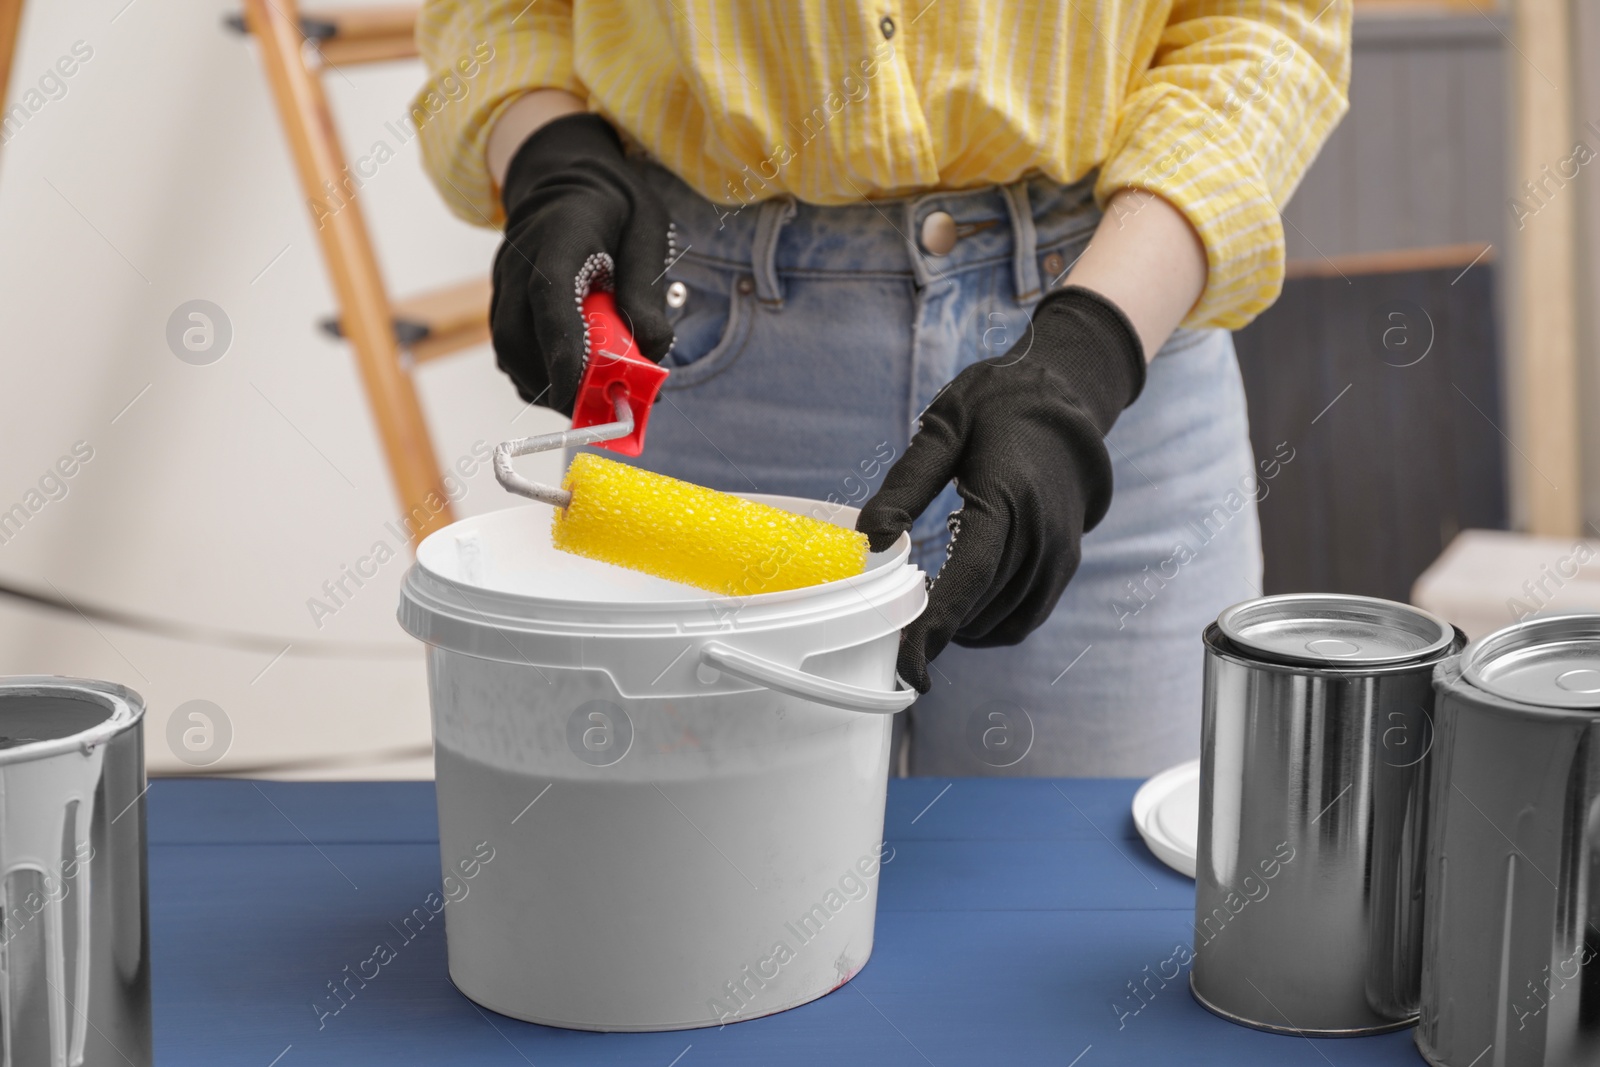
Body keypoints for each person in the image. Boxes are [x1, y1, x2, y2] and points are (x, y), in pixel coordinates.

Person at [413, 1, 1351, 776]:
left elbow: (1267, 23)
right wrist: (551, 152)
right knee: (685, 939)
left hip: (1112, 340)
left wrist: (1088, 352)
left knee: (1076, 936)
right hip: (708, 367)